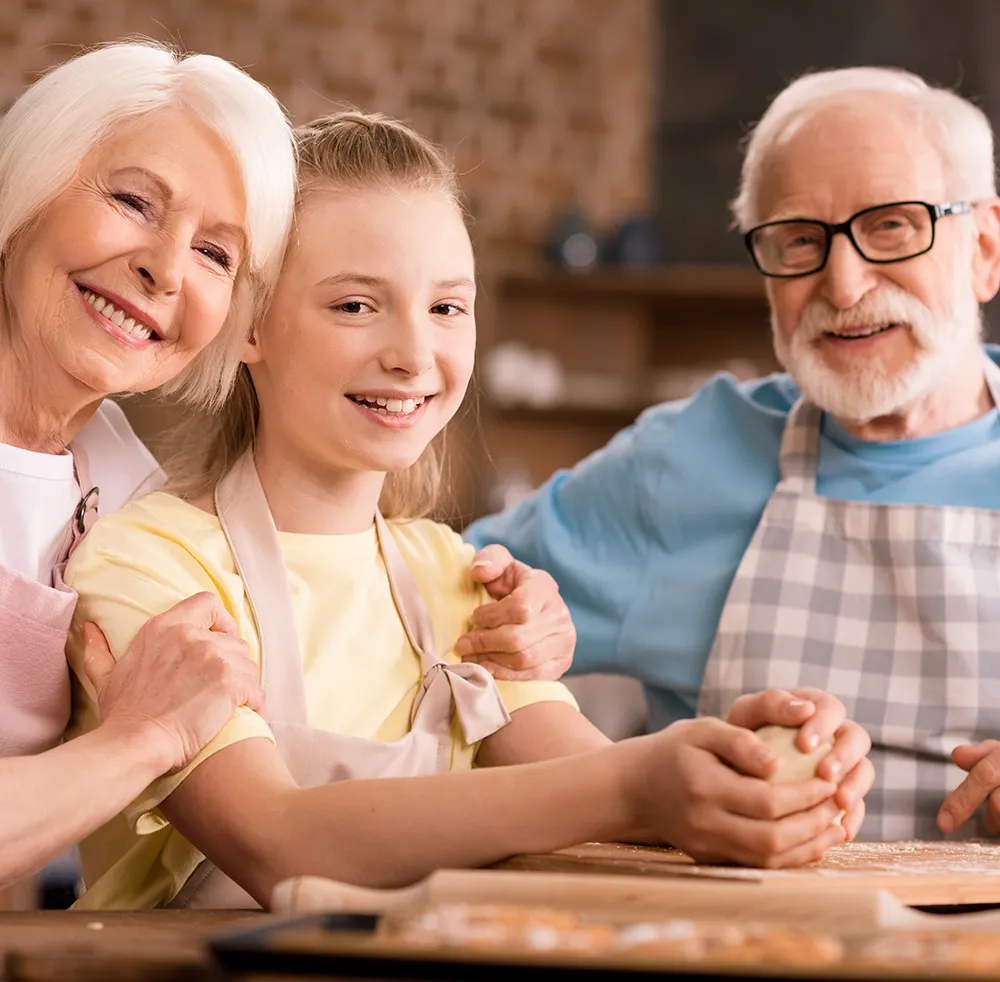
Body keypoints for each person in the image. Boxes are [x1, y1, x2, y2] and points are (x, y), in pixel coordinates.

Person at [63, 111, 870, 910]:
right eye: (354, 306)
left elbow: (590, 783)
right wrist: (644, 782)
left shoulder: (453, 575)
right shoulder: (151, 563)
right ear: (250, 325)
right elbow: (278, 843)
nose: (414, 353)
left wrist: (756, 763)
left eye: (447, 307)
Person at [467, 66, 1000, 841]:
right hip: (733, 947)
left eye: (891, 224)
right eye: (799, 240)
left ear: (985, 248)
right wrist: (607, 771)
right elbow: (417, 609)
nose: (843, 285)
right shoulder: (683, 463)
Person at [0, 39, 298, 890]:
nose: (165, 268)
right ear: (28, 184)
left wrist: (484, 612)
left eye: (216, 253)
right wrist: (137, 741)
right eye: (134, 201)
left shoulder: (116, 476)